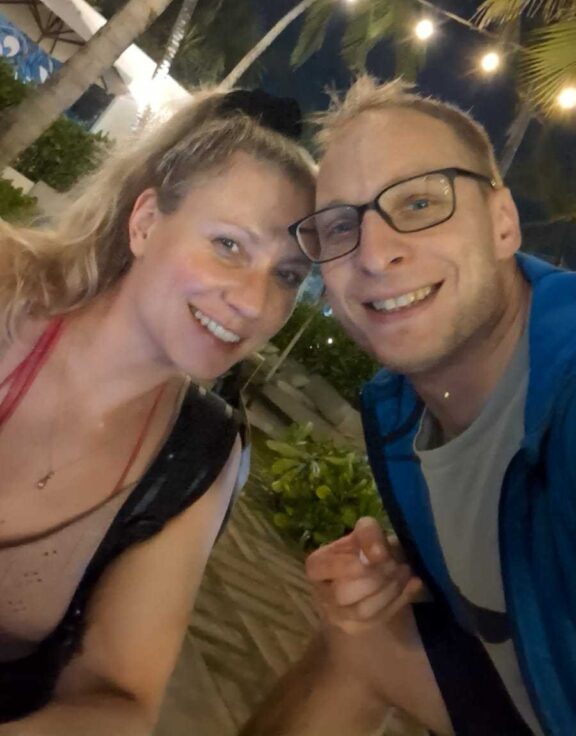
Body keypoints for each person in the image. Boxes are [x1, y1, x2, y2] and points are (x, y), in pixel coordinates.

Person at [241, 76, 575, 736]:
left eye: (419, 202)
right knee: (359, 638)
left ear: (503, 222)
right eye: (342, 226)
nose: (374, 254)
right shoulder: (397, 409)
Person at [0, 88, 315, 732]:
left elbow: (120, 696)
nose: (254, 303)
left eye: (287, 275)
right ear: (145, 223)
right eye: (229, 245)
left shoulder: (198, 453)